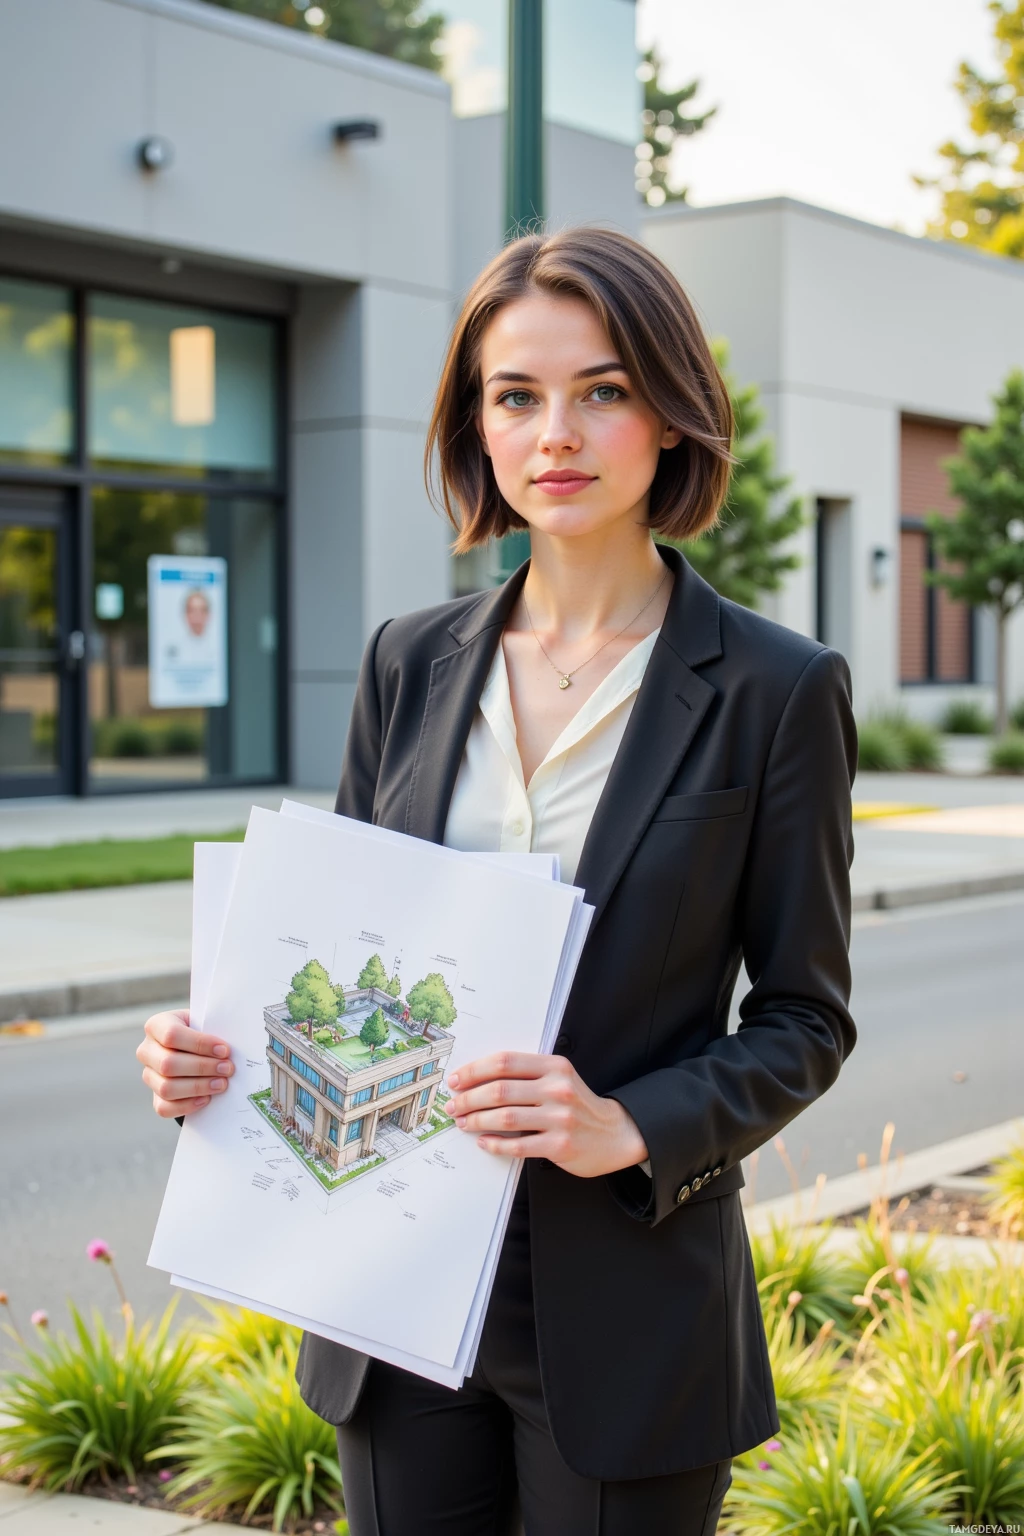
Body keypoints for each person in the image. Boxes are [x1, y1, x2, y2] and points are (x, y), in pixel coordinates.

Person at [137, 227, 857, 1536]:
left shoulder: (775, 688)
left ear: (671, 413)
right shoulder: (407, 662)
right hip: (391, 1281)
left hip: (629, 1302)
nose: (556, 434)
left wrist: (630, 1123)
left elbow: (806, 1018)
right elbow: (349, 949)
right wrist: (212, 1047)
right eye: (515, 396)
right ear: (477, 425)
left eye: (604, 389)